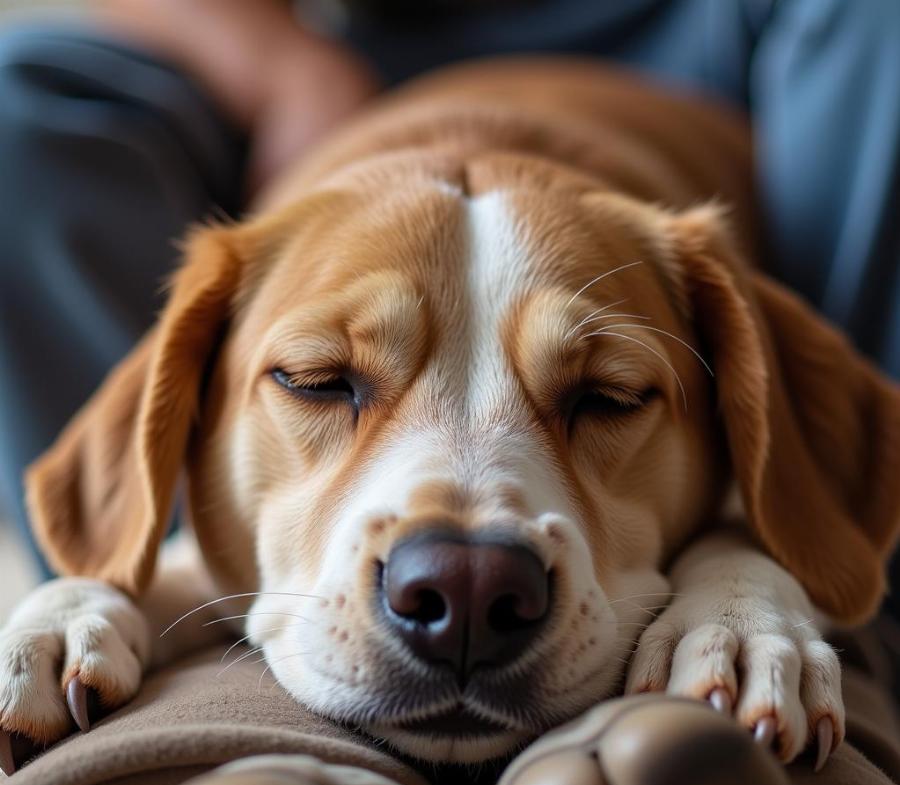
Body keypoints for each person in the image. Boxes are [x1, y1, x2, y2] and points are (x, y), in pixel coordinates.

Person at [1, 0, 898, 596]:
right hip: (358, 48)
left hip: (749, 48)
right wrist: (288, 72)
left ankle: (814, 616)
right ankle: (150, 612)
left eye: (604, 394)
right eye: (322, 379)